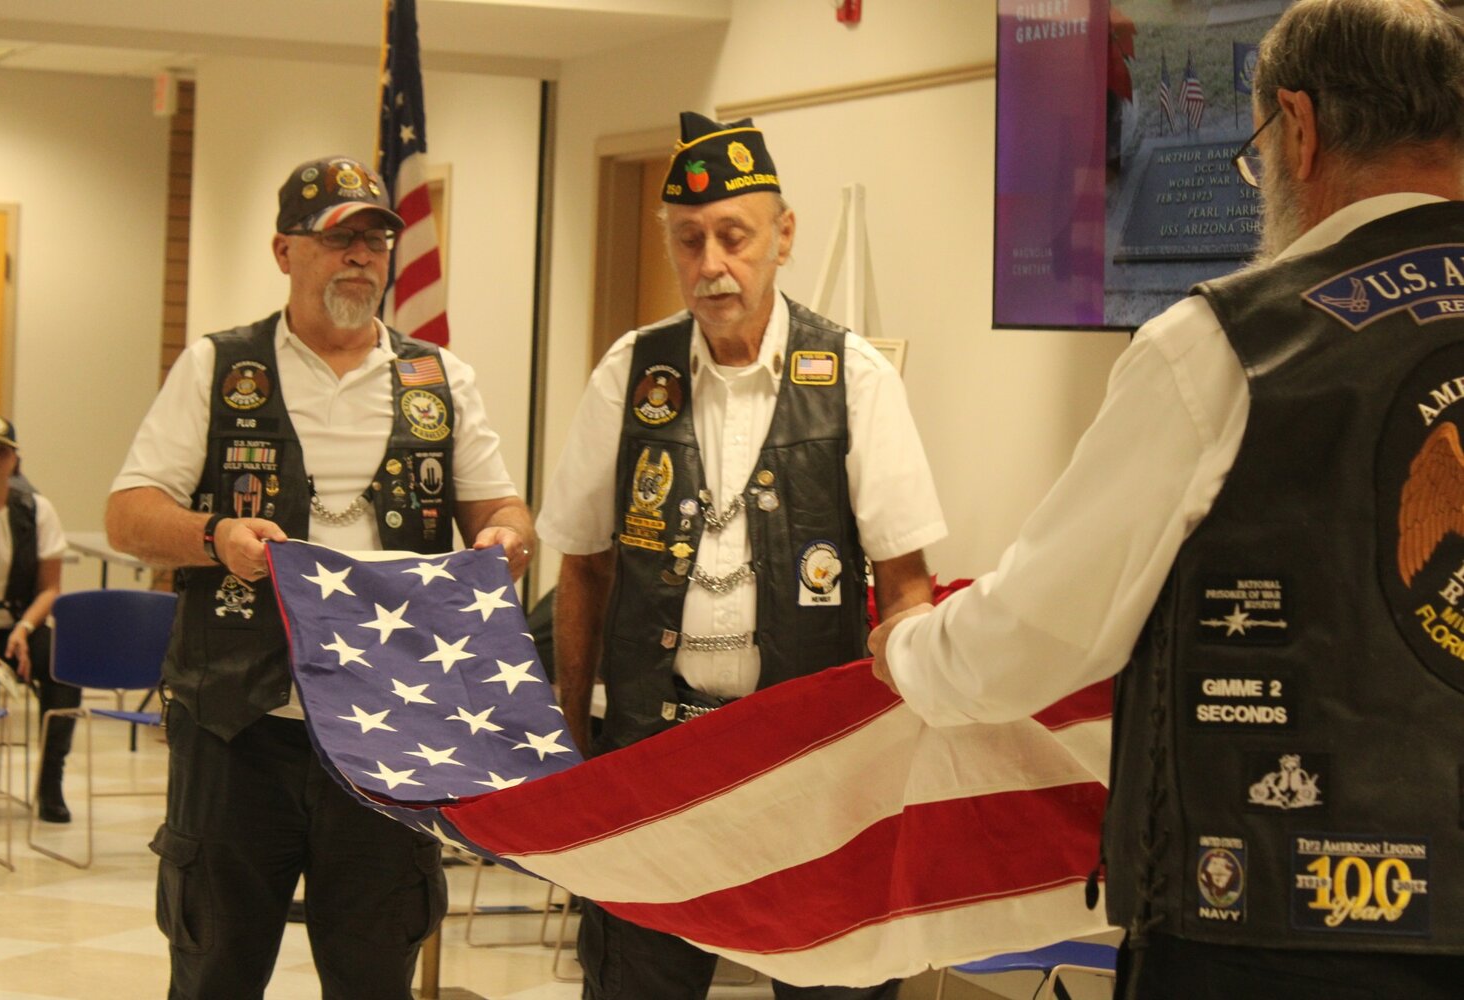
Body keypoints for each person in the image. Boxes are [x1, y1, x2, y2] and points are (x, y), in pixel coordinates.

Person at [869, 2, 1464, 997]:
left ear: (1300, 127)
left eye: (1259, 147)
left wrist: (907, 646)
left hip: (1268, 924)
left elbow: (1031, 638)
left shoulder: (1223, 347)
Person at [105, 154, 534, 1000]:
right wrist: (215, 534)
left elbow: (509, 514)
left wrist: (503, 543)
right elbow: (127, 515)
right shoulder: (218, 368)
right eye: (339, 238)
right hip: (239, 728)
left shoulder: (440, 380)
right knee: (215, 970)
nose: (361, 257)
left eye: (376, 239)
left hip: (387, 738)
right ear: (284, 251)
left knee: (373, 973)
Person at [539, 112, 946, 1000]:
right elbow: (583, 563)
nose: (711, 264)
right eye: (690, 241)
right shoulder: (630, 373)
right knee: (637, 981)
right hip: (654, 752)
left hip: (808, 762)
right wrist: (573, 728)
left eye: (734, 236)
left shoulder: (854, 376)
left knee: (827, 981)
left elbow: (904, 582)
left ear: (783, 235)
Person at [0, 414, 76, 826]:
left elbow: (50, 587)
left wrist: (25, 631)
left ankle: (50, 785)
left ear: (14, 460)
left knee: (63, 671)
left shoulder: (36, 509)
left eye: (2, 451)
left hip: (21, 624)